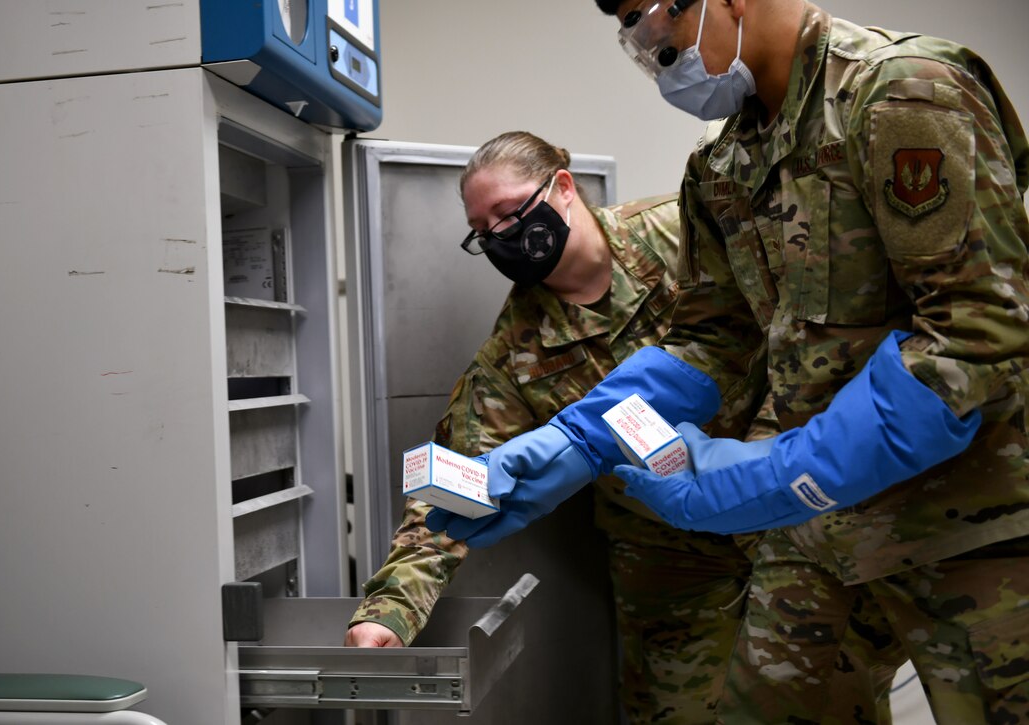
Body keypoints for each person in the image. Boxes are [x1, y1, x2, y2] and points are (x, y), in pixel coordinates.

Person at [426, 1, 1029, 722]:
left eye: (655, 27)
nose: (656, 57)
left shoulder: (899, 92)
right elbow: (713, 340)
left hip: (970, 525)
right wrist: (578, 437)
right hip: (827, 536)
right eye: (635, 37)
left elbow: (977, 336)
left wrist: (785, 473)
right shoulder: (723, 165)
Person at [345, 130, 767, 724]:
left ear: (562, 187)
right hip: (672, 556)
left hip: (786, 501)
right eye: (482, 231)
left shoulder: (680, 233)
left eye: (509, 213)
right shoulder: (515, 350)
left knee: (820, 699)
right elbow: (456, 489)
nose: (499, 237)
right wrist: (387, 611)